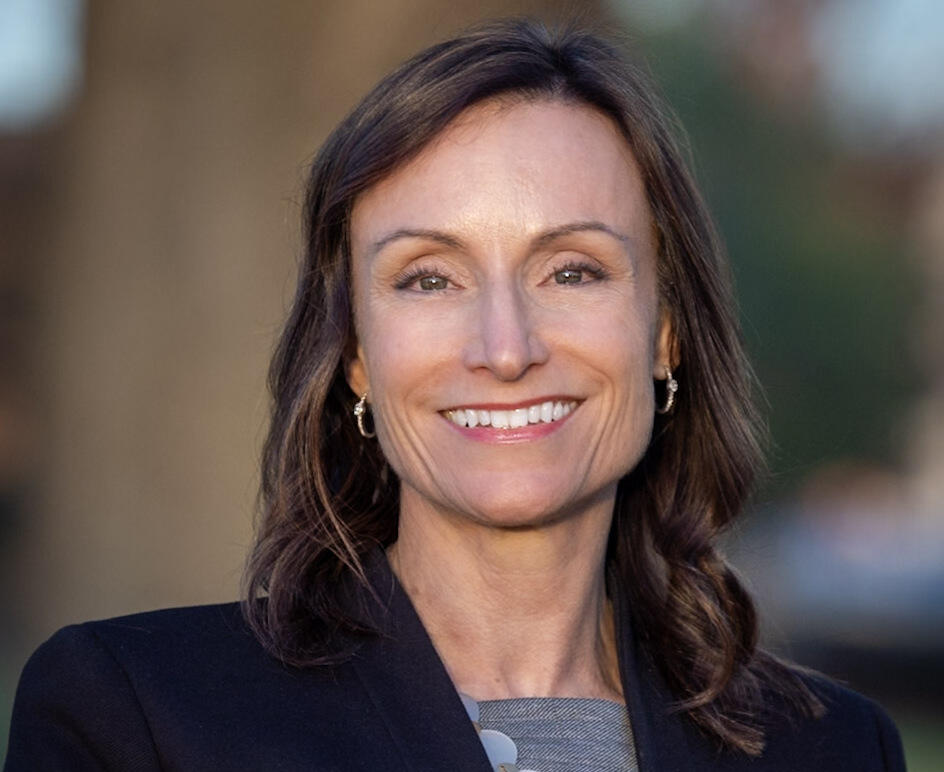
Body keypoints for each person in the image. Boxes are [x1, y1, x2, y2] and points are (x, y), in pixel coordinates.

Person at [5, 18, 906, 772]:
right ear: (356, 354)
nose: (505, 349)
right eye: (429, 279)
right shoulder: (136, 718)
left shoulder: (833, 748)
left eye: (572, 270)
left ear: (665, 333)